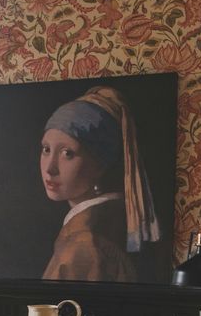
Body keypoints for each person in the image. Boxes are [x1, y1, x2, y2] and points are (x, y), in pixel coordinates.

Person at [38, 86, 160, 282]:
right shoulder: (107, 223)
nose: (50, 168)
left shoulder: (84, 243)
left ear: (100, 163)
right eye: (46, 149)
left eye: (67, 153)